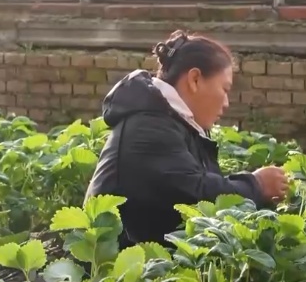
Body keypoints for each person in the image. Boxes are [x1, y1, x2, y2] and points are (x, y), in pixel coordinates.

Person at [85, 30, 289, 248]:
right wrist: (256, 185)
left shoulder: (171, 121)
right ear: (194, 79)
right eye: (224, 89)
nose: (226, 103)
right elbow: (193, 192)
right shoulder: (148, 127)